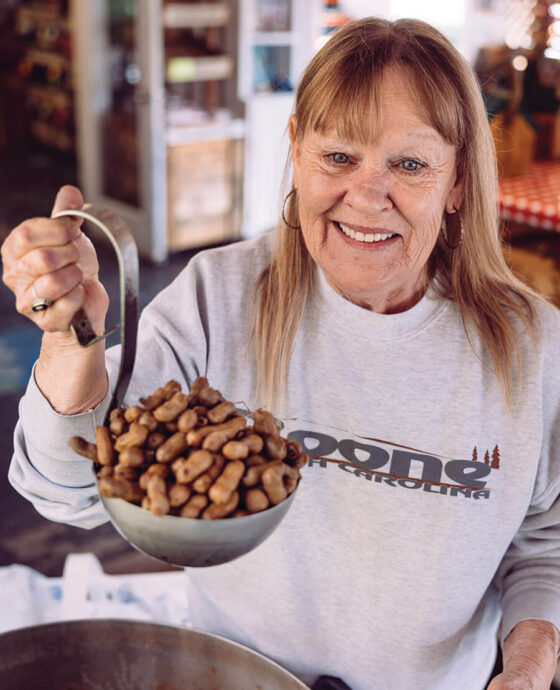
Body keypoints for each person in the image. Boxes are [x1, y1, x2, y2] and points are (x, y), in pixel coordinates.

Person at [2, 17, 560, 690]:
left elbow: (545, 544)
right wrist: (70, 339)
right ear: (296, 150)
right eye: (338, 157)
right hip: (229, 677)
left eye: (410, 165)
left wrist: (528, 670)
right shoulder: (218, 298)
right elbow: (69, 492)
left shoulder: (534, 349)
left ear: (460, 183)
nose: (367, 196)